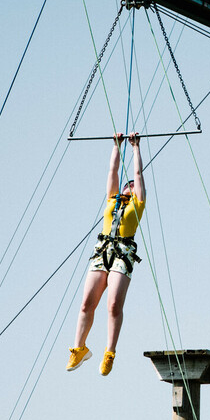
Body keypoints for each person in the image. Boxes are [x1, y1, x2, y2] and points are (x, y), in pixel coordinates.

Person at [67, 133, 145, 376]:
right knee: (86, 303)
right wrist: (116, 147)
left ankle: (109, 352)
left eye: (132, 186)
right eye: (127, 185)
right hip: (102, 251)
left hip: (122, 253)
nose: (129, 186)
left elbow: (138, 175)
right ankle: (79, 348)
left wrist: (135, 148)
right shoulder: (112, 199)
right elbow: (113, 171)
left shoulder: (138, 204)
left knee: (113, 305)